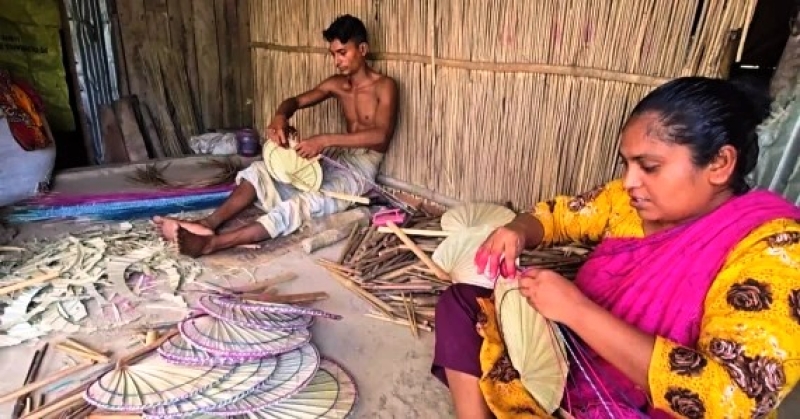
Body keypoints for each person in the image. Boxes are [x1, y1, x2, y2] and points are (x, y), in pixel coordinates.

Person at [432, 77, 800, 418]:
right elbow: (558, 217)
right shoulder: (625, 203)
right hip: (569, 353)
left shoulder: (772, 252)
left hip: (639, 405)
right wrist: (517, 230)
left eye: (649, 166)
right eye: (627, 164)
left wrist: (577, 311)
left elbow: (728, 396)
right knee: (463, 304)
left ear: (719, 164)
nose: (629, 182)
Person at [153, 14, 399, 257]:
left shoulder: (384, 86)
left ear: (363, 49)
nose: (337, 61)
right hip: (338, 158)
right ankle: (208, 223)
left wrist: (324, 140)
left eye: (342, 52)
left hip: (360, 168)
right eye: (333, 54)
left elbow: (380, 136)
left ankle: (212, 244)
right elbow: (295, 101)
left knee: (300, 205)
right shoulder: (337, 84)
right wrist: (281, 116)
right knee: (259, 171)